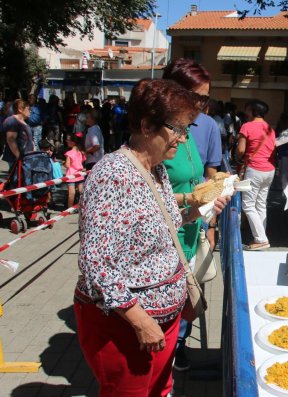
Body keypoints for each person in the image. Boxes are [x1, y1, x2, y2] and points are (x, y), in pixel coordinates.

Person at [74, 78, 228, 397]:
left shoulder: (155, 169)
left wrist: (204, 210)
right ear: (147, 125)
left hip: (163, 321)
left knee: (160, 390)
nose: (184, 140)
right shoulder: (113, 176)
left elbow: (162, 224)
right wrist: (140, 320)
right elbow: (97, 264)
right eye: (178, 130)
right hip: (127, 328)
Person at [161, 58, 222, 372]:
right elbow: (145, 194)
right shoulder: (156, 134)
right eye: (196, 98)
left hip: (187, 231)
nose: (201, 106)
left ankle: (175, 351)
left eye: (205, 99)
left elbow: (204, 179)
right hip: (162, 242)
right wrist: (190, 199)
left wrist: (211, 211)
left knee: (185, 302)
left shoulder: (193, 132)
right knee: (165, 314)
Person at [236, 99, 276, 251]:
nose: (246, 112)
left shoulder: (247, 126)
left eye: (247, 109)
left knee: (248, 204)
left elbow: (241, 150)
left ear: (252, 110)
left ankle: (261, 239)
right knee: (260, 204)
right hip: (269, 170)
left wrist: (239, 157)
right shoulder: (270, 129)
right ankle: (260, 236)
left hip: (254, 169)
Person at [2, 99, 35, 169]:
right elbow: (11, 140)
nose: (30, 111)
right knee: (17, 178)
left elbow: (30, 139)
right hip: (17, 159)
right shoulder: (12, 121)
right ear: (20, 109)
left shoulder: (24, 123)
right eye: (28, 109)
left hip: (27, 158)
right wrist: (18, 156)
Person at [64, 132, 86, 209]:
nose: (67, 141)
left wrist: (64, 164)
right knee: (81, 191)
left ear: (73, 142)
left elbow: (67, 165)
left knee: (71, 193)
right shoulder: (80, 152)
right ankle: (82, 206)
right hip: (79, 175)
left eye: (68, 140)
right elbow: (82, 162)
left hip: (71, 175)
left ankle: (69, 208)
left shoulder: (69, 153)